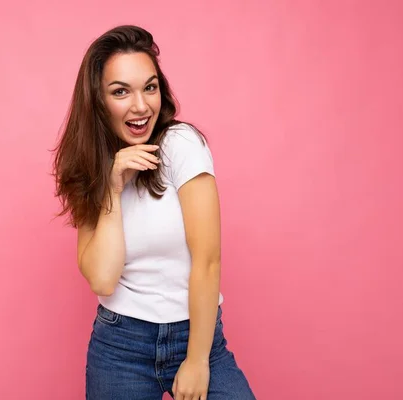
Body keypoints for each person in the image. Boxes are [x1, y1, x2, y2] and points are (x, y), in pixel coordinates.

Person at [52, 25, 256, 400]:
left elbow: (207, 261)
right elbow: (102, 280)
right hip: (120, 347)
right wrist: (112, 187)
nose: (141, 106)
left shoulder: (181, 145)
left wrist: (196, 360)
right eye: (120, 92)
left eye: (149, 87)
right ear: (97, 101)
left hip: (197, 337)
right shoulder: (91, 170)